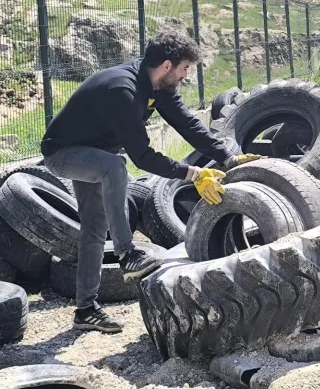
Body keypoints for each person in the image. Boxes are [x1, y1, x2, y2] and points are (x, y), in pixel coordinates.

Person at [40, 31, 259, 333]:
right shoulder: (124, 90)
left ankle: (85, 310)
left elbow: (187, 123)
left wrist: (228, 157)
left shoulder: (157, 84)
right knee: (116, 167)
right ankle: (127, 253)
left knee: (94, 229)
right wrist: (192, 174)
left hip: (95, 154)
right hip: (62, 154)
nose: (186, 76)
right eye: (184, 69)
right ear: (167, 65)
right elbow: (141, 157)